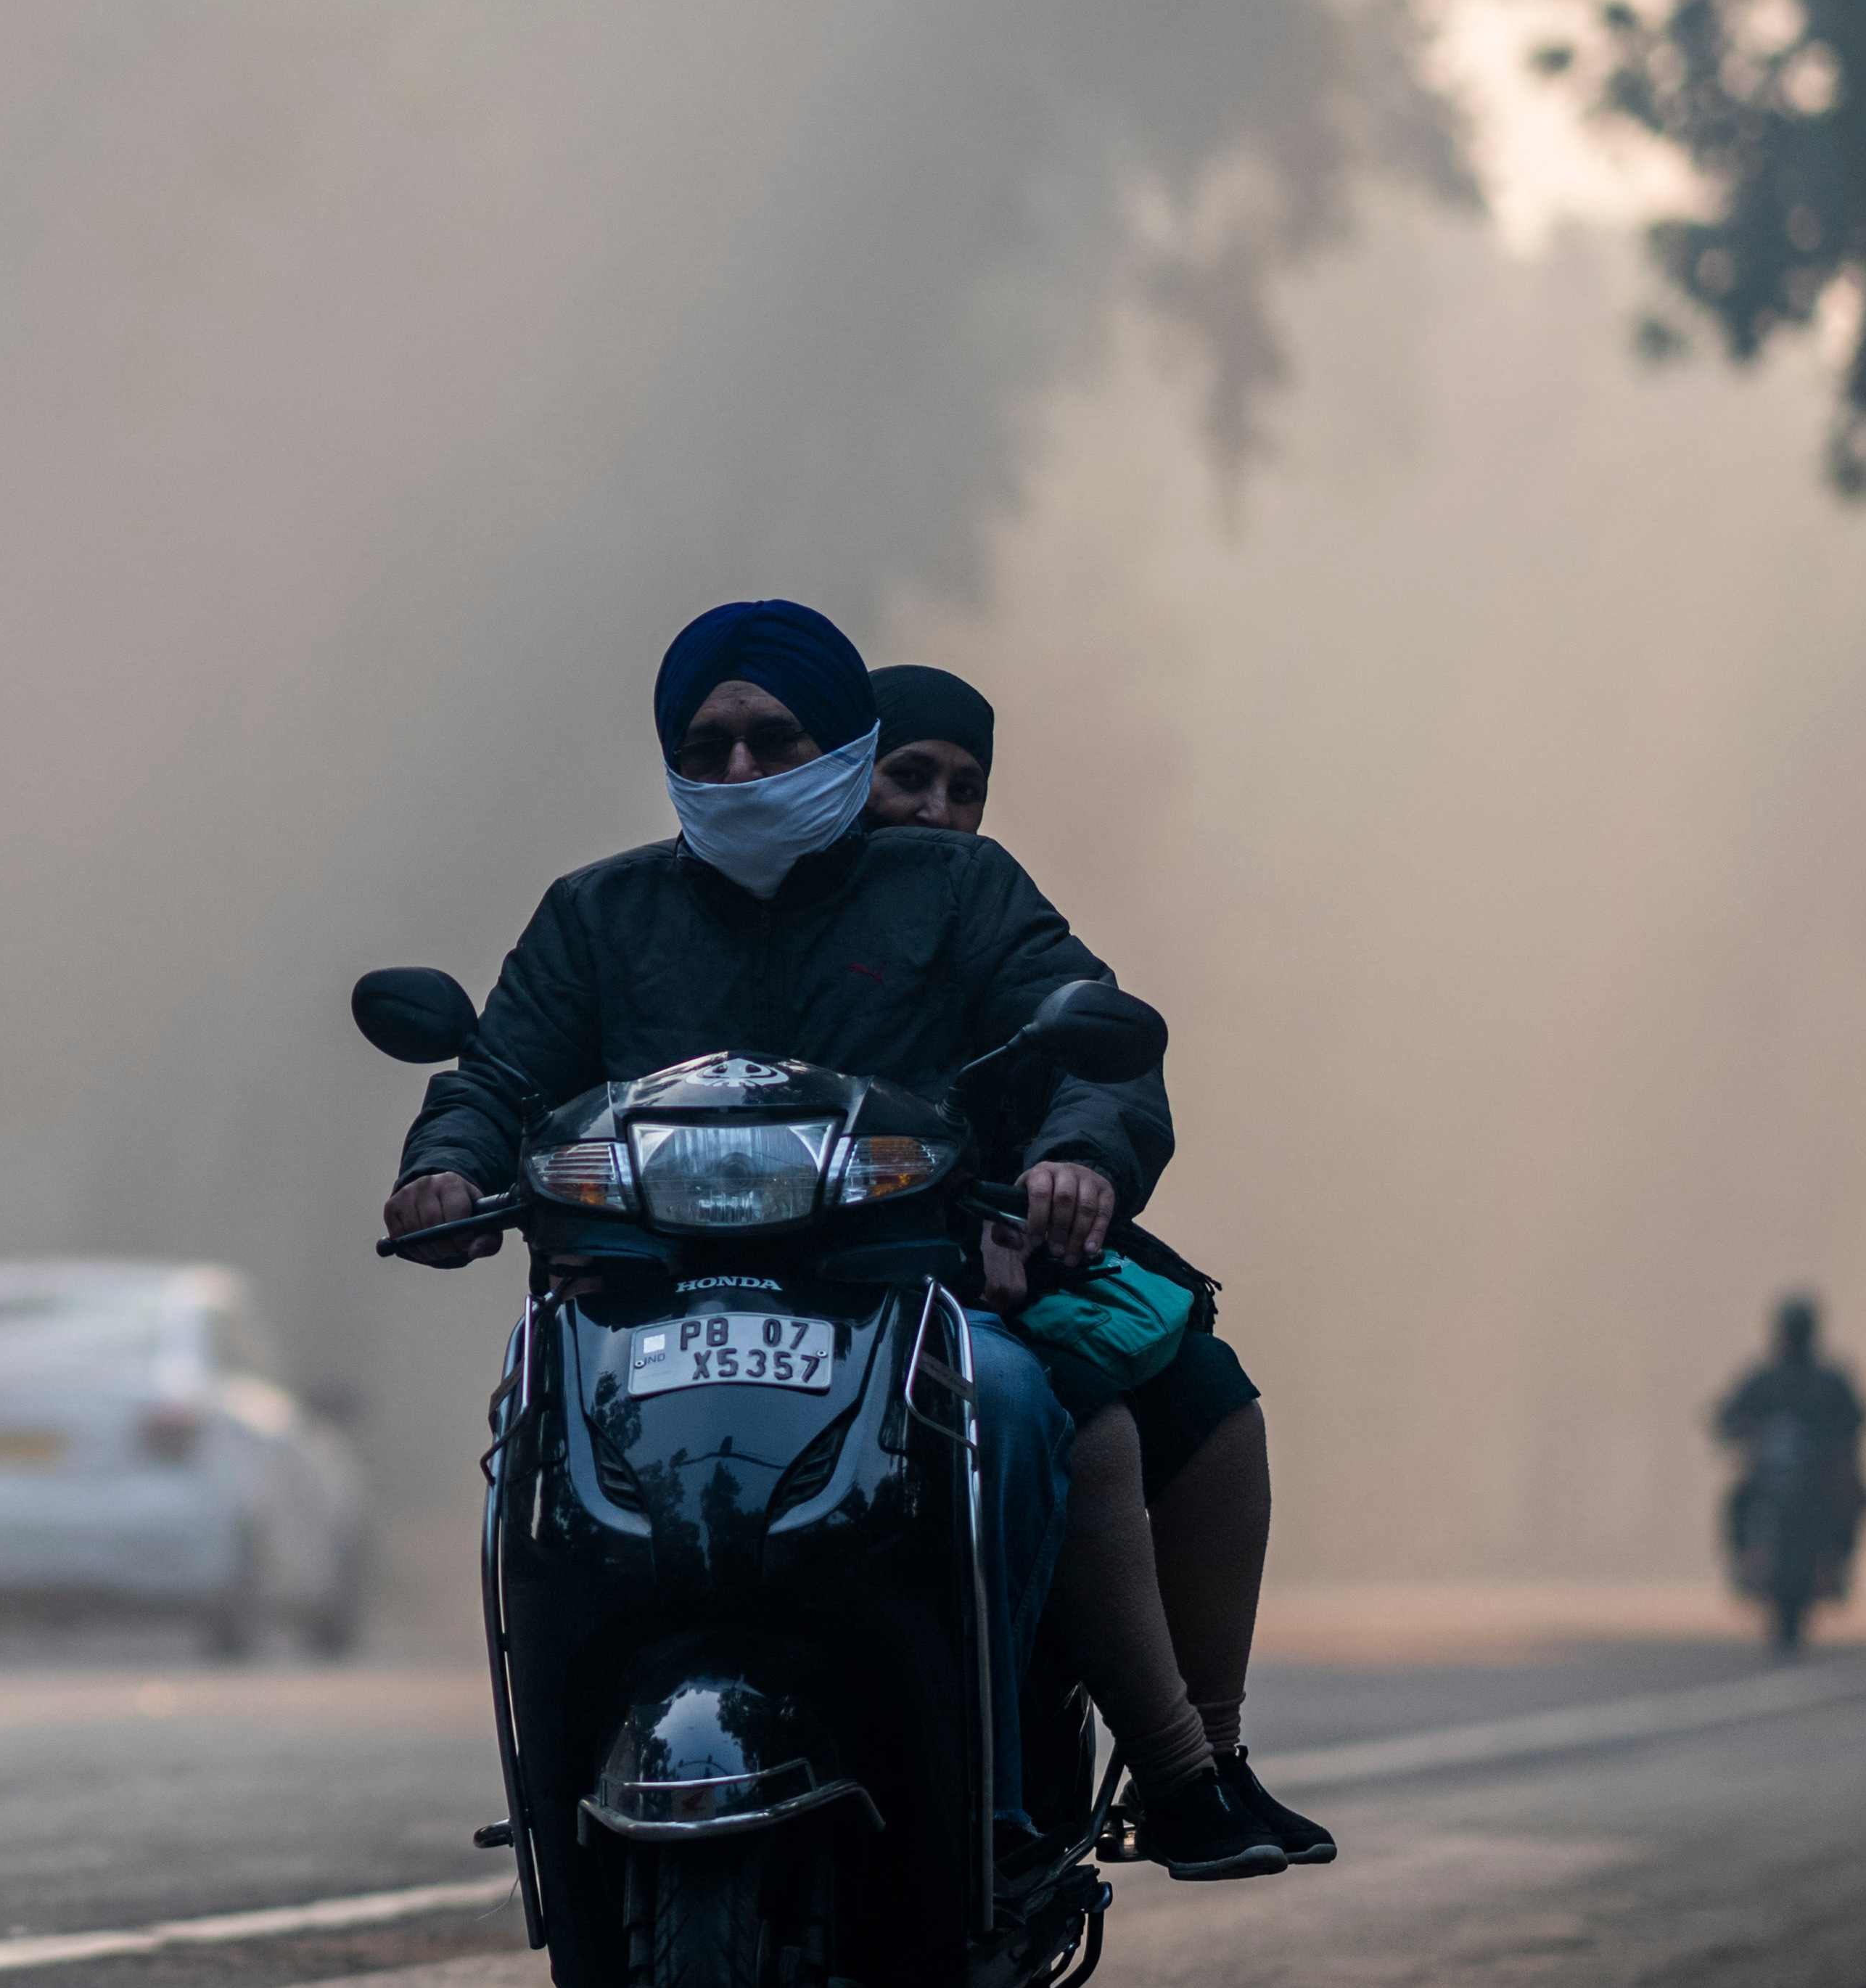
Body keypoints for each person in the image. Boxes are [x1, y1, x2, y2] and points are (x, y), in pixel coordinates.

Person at [383, 601, 1278, 1882]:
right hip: (642, 1315)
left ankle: (1016, 1782)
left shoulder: (961, 889)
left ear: (843, 746)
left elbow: (1084, 1033)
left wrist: (1082, 1150)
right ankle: (557, 1797)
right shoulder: (595, 915)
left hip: (903, 1303)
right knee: (533, 1433)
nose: (737, 769)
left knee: (1024, 1403)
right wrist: (440, 1170)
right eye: (706, 744)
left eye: (771, 738)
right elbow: (495, 1075)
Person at [864, 661, 1324, 1867]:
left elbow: (1089, 1032)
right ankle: (1173, 1764)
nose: (935, 808)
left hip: (978, 1259)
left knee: (1212, 1402)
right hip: (807, 1277)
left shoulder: (982, 902)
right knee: (1085, 1421)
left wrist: (1071, 1162)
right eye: (905, 775)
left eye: (964, 786)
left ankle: (1205, 1760)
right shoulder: (735, 906)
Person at [1711, 1294, 1866, 1643]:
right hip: (1771, 1473)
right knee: (1736, 1502)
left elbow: (1857, 1419)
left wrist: (1840, 1444)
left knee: (1857, 1501)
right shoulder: (1764, 1378)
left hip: (1819, 1474)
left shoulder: (1830, 1380)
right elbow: (1727, 1415)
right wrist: (1735, 1430)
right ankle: (1743, 1562)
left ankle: (1840, 1563)